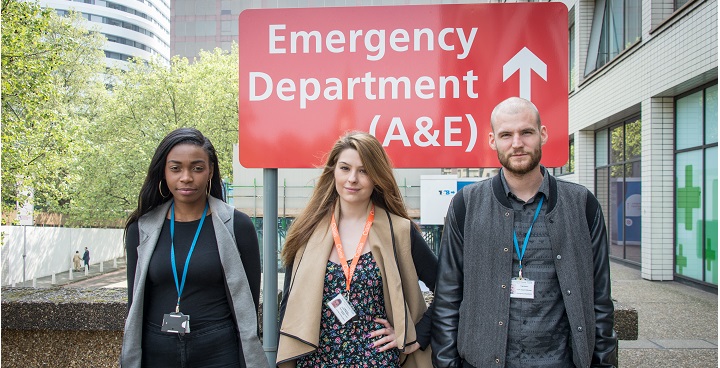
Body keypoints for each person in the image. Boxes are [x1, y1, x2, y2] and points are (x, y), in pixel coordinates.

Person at [431, 97, 617, 368]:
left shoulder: (582, 205)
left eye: (526, 132)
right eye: (506, 134)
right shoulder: (466, 205)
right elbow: (447, 297)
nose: (517, 143)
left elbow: (600, 297)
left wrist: (604, 363)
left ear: (542, 135)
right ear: (493, 141)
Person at [277, 131, 437, 368]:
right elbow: (288, 305)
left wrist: (418, 335)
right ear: (333, 171)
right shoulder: (306, 231)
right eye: (345, 168)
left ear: (377, 177)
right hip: (316, 361)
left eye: (364, 171)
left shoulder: (400, 231)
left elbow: (449, 286)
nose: (352, 179)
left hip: (378, 361)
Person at [120, 128, 268, 368]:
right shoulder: (142, 228)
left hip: (219, 350)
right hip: (156, 350)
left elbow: (247, 308)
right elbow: (134, 304)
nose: (186, 177)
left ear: (210, 171)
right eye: (175, 168)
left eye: (197, 168)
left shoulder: (237, 226)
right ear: (164, 172)